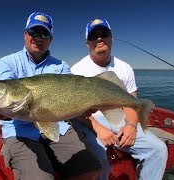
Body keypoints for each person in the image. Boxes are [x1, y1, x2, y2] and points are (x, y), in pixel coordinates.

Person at [0, 12, 102, 180]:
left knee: (90, 169)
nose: (38, 37)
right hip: (20, 131)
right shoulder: (7, 63)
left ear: (51, 39)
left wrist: (83, 107)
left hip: (58, 126)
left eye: (44, 33)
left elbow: (71, 100)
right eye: (33, 32)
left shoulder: (61, 66)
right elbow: (5, 103)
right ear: (25, 34)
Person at [71, 18, 168, 180]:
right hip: (90, 122)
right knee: (98, 154)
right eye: (94, 36)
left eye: (104, 33)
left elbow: (131, 102)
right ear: (87, 43)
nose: (99, 38)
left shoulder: (125, 68)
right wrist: (98, 128)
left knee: (158, 149)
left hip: (121, 120)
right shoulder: (76, 70)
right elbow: (75, 110)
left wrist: (130, 125)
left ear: (111, 38)